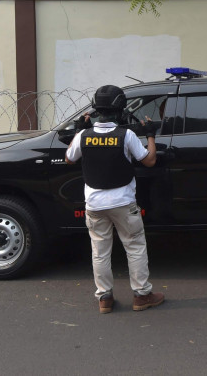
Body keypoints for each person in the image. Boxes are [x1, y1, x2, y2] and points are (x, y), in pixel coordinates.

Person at [65, 85, 165, 314]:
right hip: (123, 203)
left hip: (95, 205)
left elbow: (69, 158)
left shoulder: (84, 135)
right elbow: (149, 161)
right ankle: (142, 296)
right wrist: (150, 133)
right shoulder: (126, 135)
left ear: (96, 110)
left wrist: (79, 130)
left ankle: (105, 299)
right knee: (135, 247)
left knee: (100, 251)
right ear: (120, 110)